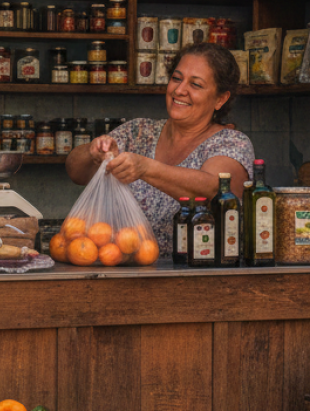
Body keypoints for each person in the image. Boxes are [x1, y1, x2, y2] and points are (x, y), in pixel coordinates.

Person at [64, 43, 255, 256]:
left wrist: (146, 168)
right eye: (176, 78)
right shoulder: (138, 131)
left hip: (199, 277)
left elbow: (214, 188)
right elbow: (75, 172)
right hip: (124, 269)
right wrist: (93, 153)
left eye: (196, 85)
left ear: (220, 99)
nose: (180, 90)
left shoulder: (232, 142)